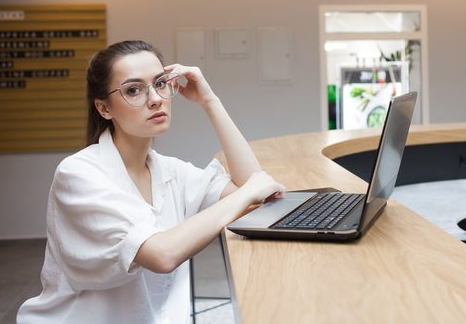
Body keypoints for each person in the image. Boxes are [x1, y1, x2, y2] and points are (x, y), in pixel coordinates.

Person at [16, 40, 285, 323]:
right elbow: (161, 255)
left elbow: (255, 195)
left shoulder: (169, 171)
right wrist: (247, 194)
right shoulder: (78, 174)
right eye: (133, 90)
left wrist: (210, 101)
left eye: (160, 83)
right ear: (104, 108)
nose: (155, 98)